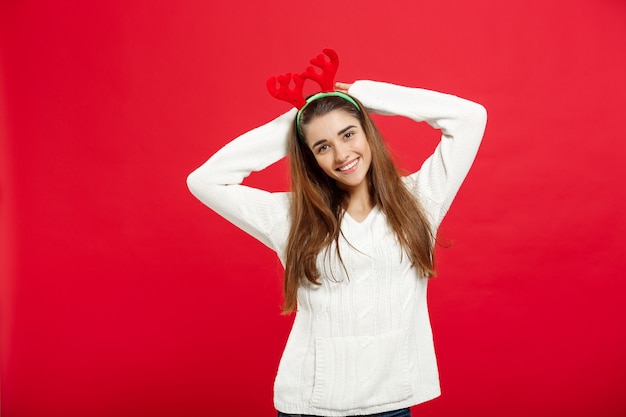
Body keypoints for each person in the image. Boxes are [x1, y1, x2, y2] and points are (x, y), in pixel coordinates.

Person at [187, 52, 487, 417]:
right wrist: (297, 124)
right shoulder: (290, 216)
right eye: (322, 147)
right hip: (310, 405)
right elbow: (203, 180)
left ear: (367, 130)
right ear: (310, 157)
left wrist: (365, 96)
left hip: (390, 403)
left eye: (348, 134)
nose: (342, 154)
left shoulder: (421, 199)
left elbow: (470, 118)